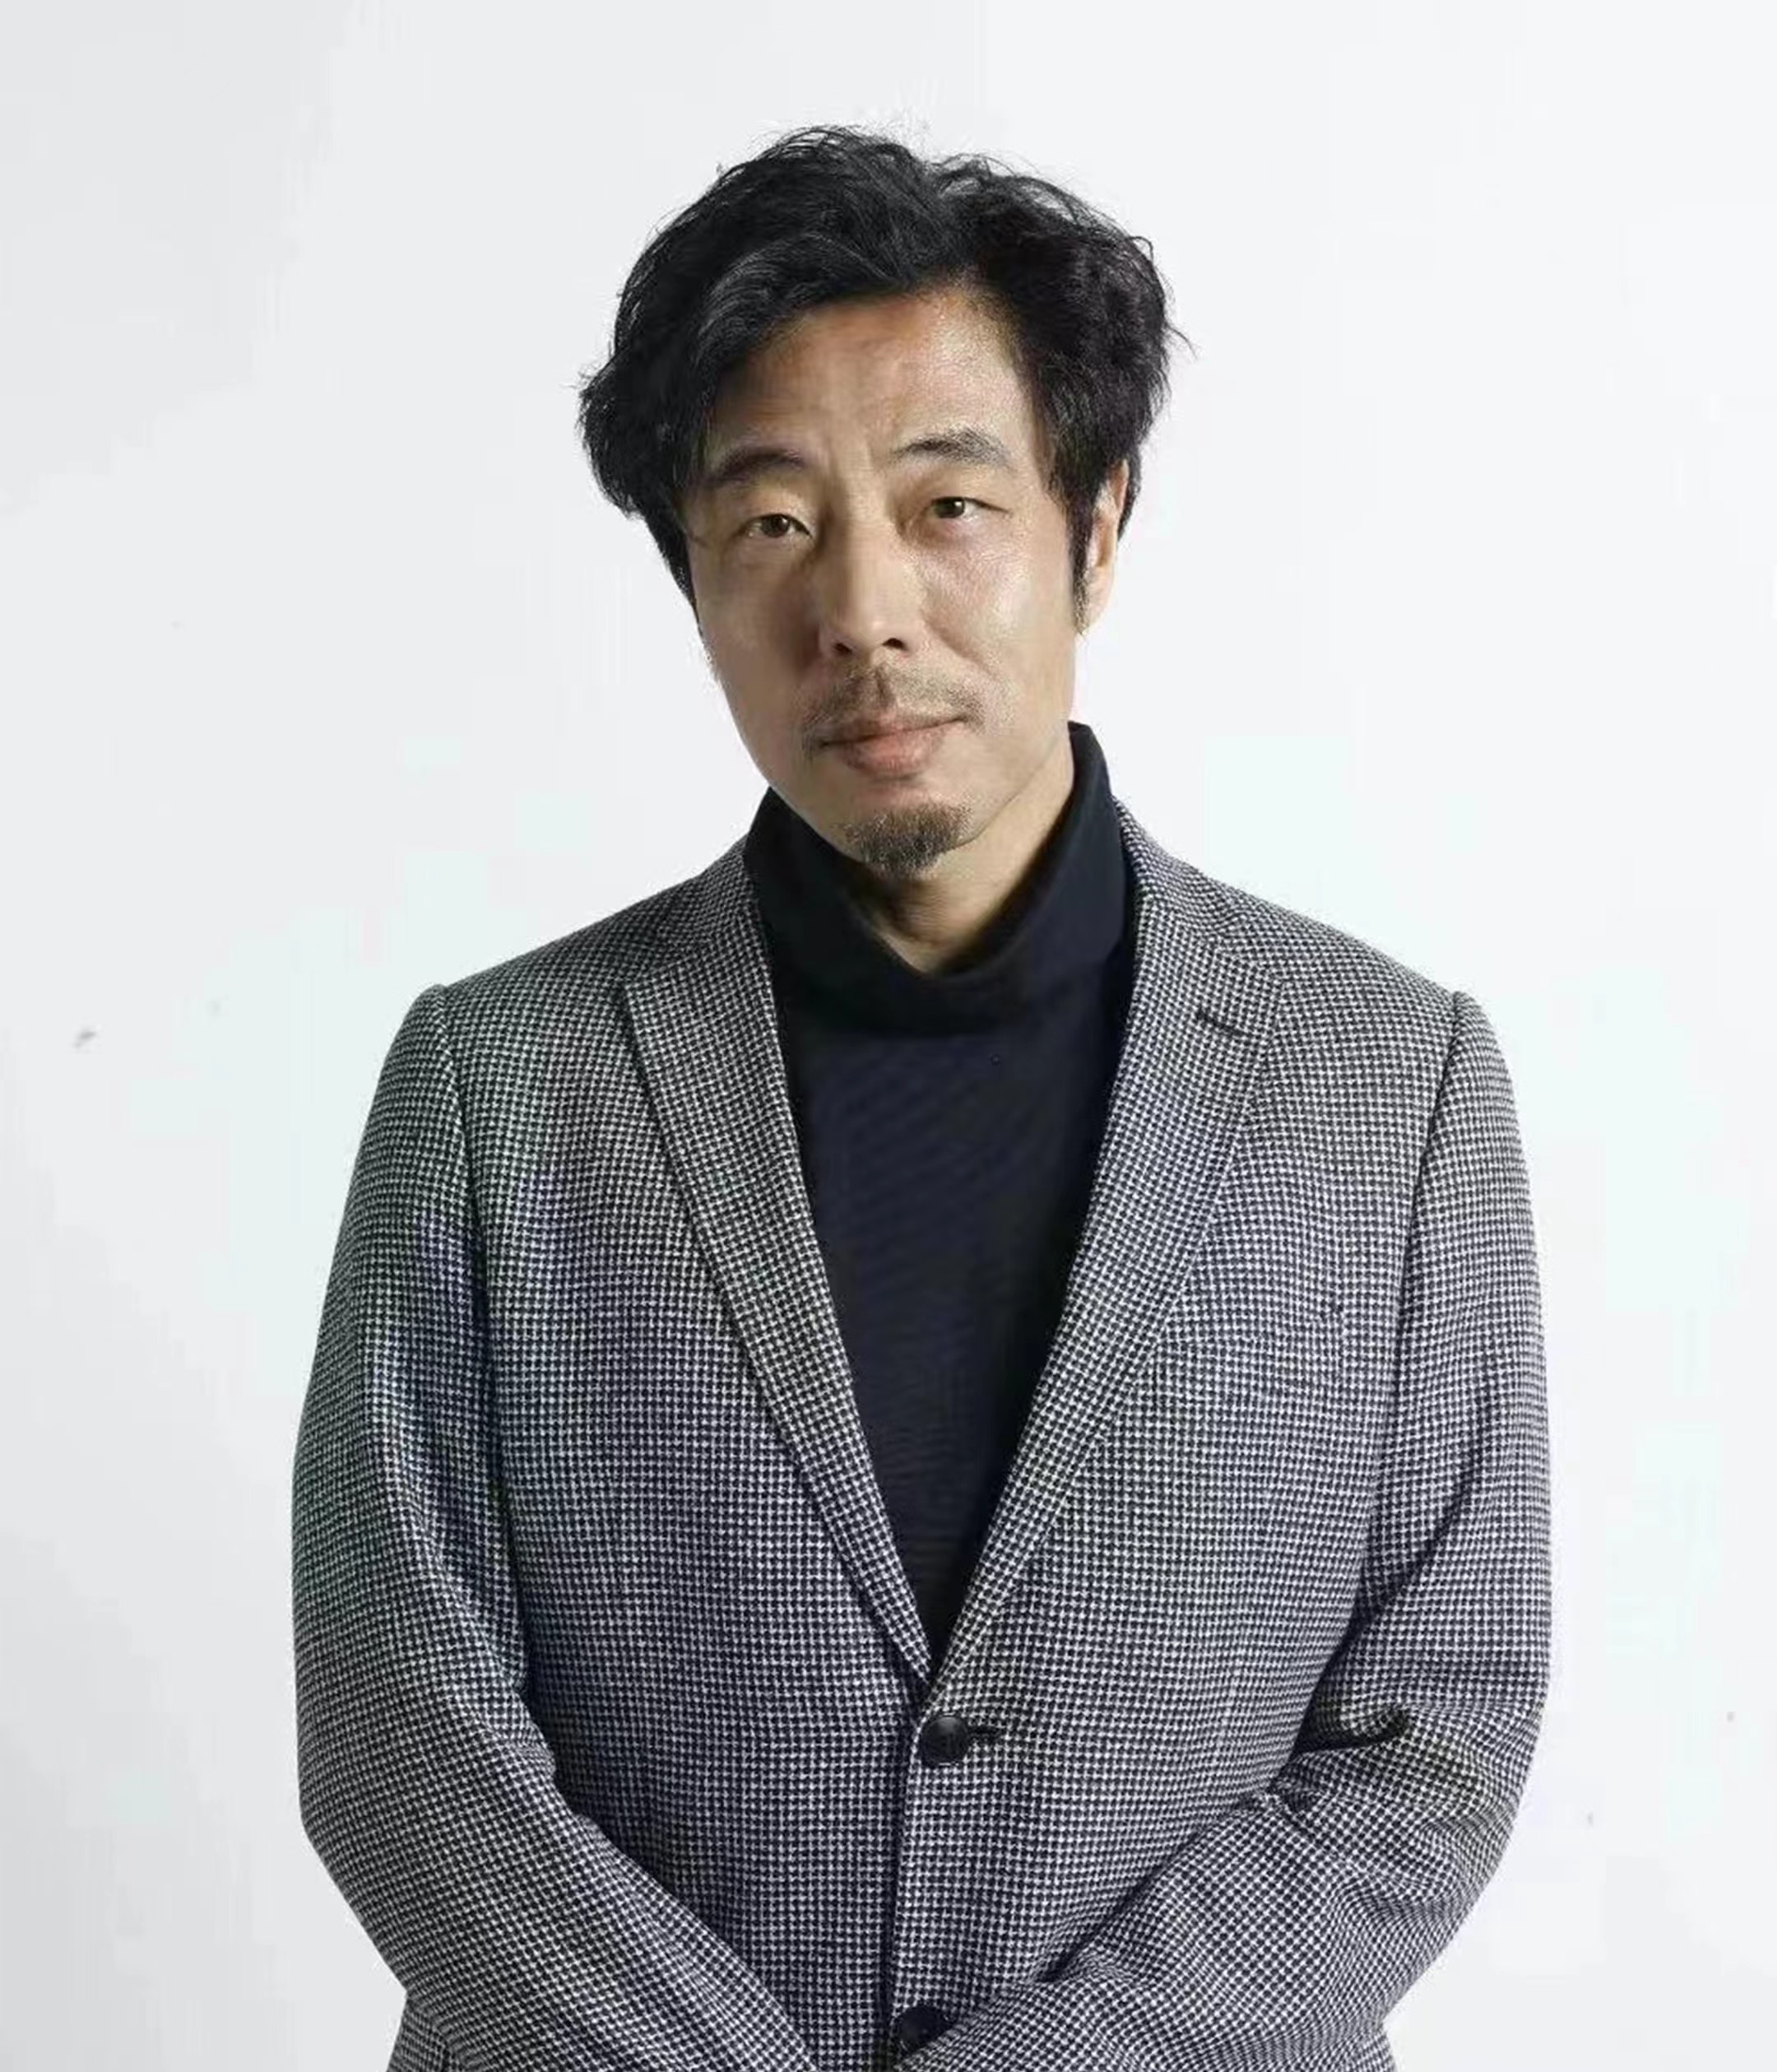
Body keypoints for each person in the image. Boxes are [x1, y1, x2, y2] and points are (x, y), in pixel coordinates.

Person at [291, 124, 1551, 2072]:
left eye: (948, 503)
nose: (862, 609)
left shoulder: (1391, 1088)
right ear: (692, 579)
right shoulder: (495, 1087)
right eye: (771, 524)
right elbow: (400, 1736)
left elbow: (1436, 1732)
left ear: (1096, 526)